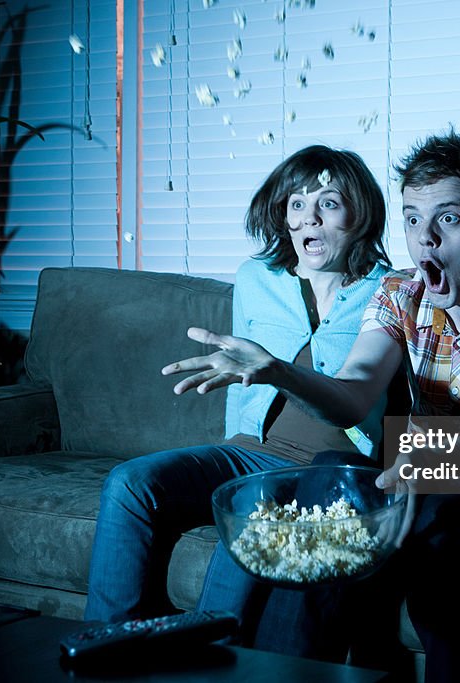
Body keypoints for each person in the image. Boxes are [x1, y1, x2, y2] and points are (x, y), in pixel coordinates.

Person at [163, 130, 460, 682]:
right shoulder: (400, 294)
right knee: (328, 474)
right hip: (429, 491)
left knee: (442, 517)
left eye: (447, 219)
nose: (426, 242)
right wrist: (276, 369)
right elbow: (352, 393)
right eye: (413, 220)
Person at [84, 145, 394, 651]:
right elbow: (238, 376)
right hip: (248, 450)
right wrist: (236, 436)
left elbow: (360, 392)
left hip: (328, 469)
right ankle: (105, 650)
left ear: (360, 215)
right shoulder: (256, 278)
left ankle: (209, 660)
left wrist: (276, 369)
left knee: (252, 507)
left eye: (329, 203)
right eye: (296, 204)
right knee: (129, 484)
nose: (308, 217)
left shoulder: (390, 291)